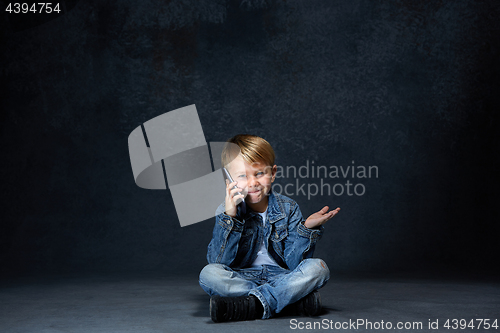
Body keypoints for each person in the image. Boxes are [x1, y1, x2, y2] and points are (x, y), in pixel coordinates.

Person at [198, 134, 340, 322]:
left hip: (281, 276)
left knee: (318, 268)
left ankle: (250, 305)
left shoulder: (288, 208)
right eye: (242, 176)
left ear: (272, 173)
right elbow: (219, 261)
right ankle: (288, 302)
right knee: (209, 274)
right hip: (242, 277)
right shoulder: (225, 211)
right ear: (229, 179)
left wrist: (306, 229)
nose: (253, 182)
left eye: (259, 173)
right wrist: (230, 217)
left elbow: (294, 263)